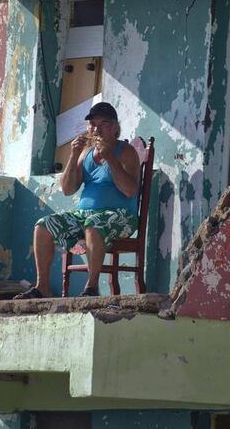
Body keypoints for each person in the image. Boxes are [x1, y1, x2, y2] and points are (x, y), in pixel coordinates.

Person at [14, 102, 140, 299]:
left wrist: (110, 159)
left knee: (93, 225)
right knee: (43, 225)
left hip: (121, 216)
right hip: (84, 216)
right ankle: (42, 287)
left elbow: (130, 190)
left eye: (104, 124)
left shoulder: (126, 152)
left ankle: (91, 287)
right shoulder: (86, 154)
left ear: (115, 127)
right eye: (92, 125)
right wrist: (73, 155)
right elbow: (67, 189)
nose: (96, 129)